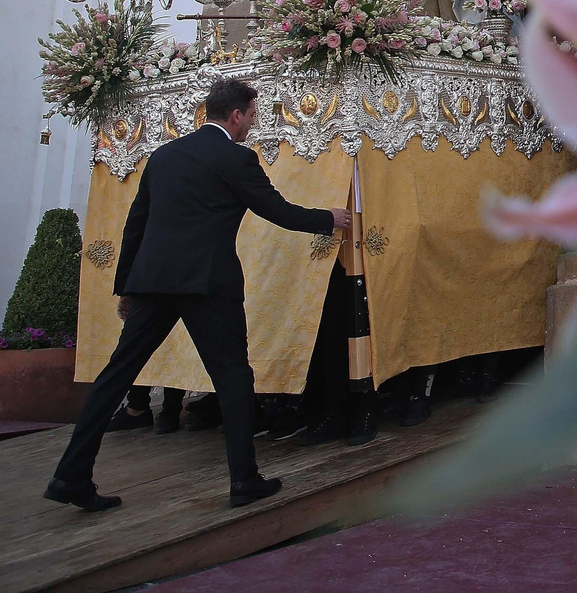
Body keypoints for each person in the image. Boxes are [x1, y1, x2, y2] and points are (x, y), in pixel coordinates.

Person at [44, 77, 352, 512]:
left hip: (152, 281)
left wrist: (127, 287)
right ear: (236, 115)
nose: (252, 124)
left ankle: (70, 474)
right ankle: (244, 479)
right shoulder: (236, 158)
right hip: (208, 284)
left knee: (115, 375)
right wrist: (329, 217)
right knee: (232, 377)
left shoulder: (163, 155)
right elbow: (276, 210)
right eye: (252, 116)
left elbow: (137, 223)